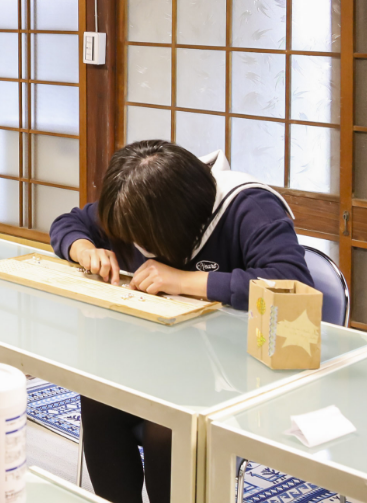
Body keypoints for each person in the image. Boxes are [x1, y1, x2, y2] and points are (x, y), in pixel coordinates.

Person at [49, 140, 314, 503]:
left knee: (169, 427)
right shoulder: (137, 200)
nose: (134, 243)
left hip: (234, 368)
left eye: (141, 237)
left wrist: (186, 281)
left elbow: (293, 282)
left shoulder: (248, 205)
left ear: (174, 222)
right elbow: (70, 223)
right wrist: (84, 249)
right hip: (164, 358)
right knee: (99, 398)